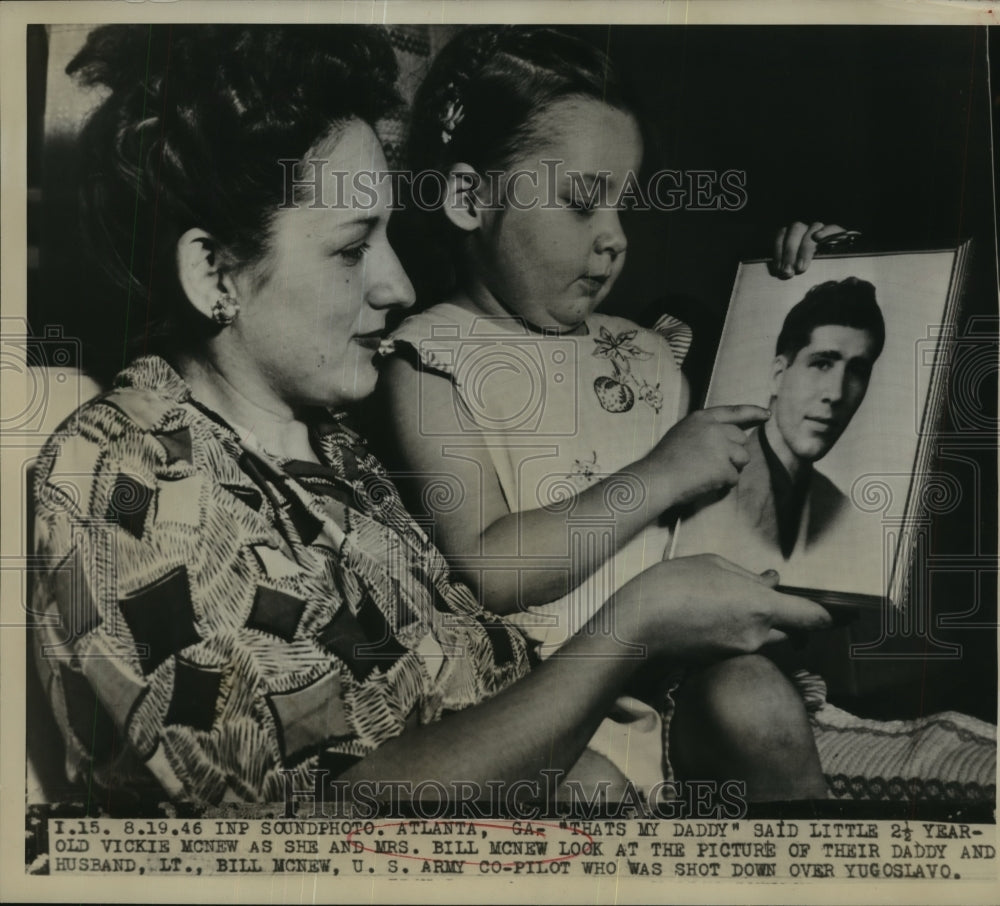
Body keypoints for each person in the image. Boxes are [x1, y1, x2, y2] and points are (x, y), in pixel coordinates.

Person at [30, 23, 835, 809]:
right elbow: (313, 834)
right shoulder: (122, 484)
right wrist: (637, 627)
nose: (399, 286)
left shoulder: (330, 447)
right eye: (352, 249)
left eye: (386, 236)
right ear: (215, 271)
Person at [374, 26, 841, 796]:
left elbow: (745, 477)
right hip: (543, 706)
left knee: (760, 702)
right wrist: (657, 477)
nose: (615, 239)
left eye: (622, 206)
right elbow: (489, 568)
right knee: (589, 795)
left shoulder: (648, 348)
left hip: (687, 682)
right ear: (469, 198)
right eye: (583, 204)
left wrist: (800, 287)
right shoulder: (429, 360)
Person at [680, 277, 885, 574]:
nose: (837, 393)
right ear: (778, 374)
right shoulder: (709, 482)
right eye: (822, 363)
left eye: (857, 371)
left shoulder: (838, 510)